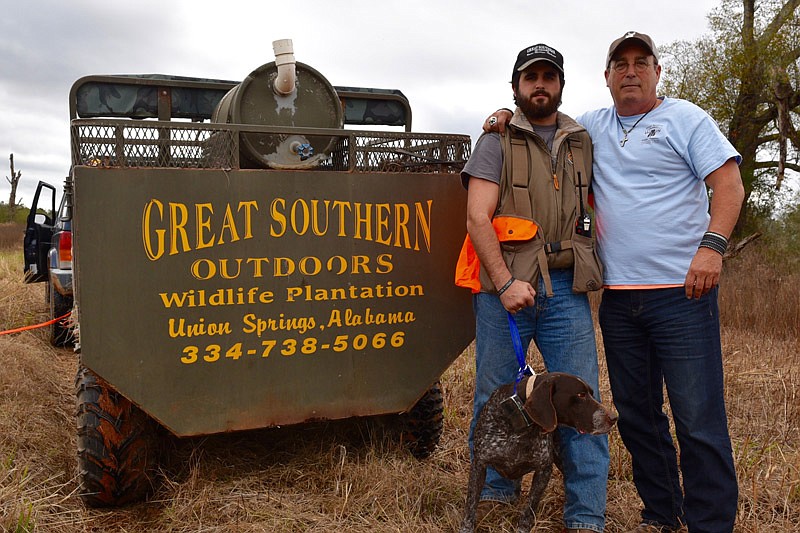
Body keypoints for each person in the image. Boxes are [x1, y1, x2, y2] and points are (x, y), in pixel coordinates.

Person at [484, 31, 744, 533]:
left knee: (698, 419)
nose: (630, 71)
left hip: (681, 295)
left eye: (641, 62)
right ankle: (661, 515)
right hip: (619, 301)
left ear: (656, 72)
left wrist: (712, 247)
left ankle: (711, 523)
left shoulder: (687, 119)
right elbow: (543, 126)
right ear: (605, 78)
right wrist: (502, 117)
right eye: (619, 64)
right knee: (639, 417)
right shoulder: (592, 128)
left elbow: (728, 184)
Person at [459, 43, 609, 533]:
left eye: (549, 76)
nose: (539, 85)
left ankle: (585, 517)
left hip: (566, 288)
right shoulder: (494, 140)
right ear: (516, 86)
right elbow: (477, 217)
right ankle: (498, 499)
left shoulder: (583, 138)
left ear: (561, 85)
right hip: (507, 289)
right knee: (495, 398)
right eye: (530, 78)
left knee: (583, 405)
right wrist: (503, 283)